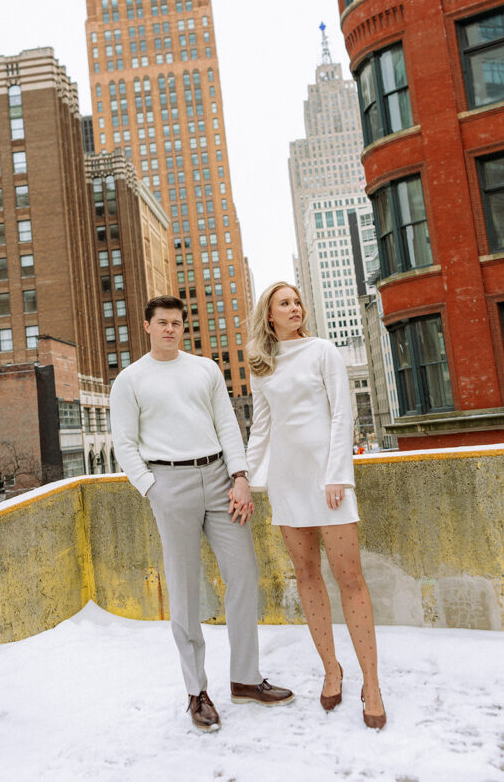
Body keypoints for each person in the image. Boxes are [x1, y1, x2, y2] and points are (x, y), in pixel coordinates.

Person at [110, 295, 294, 731]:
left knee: (244, 573)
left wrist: (240, 476)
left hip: (218, 479)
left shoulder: (205, 369)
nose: (171, 329)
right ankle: (196, 692)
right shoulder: (130, 380)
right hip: (168, 483)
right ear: (148, 326)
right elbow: (124, 444)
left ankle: (246, 680)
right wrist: (153, 489)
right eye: (163, 323)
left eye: (177, 323)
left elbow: (228, 425)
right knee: (185, 590)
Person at [245, 282, 386, 729]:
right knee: (306, 577)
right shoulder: (262, 366)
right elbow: (261, 429)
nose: (294, 308)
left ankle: (373, 684)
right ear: (269, 315)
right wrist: (243, 478)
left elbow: (343, 414)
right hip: (287, 482)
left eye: (297, 301)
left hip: (330, 482)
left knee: (350, 579)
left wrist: (337, 475)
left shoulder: (324, 351)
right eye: (284, 303)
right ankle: (331, 669)